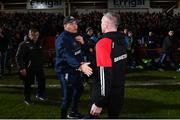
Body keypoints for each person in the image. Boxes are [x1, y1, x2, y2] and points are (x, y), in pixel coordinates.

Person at [89, 12, 127, 118]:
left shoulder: (103, 43)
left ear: (106, 24)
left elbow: (105, 74)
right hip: (119, 91)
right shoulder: (123, 40)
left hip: (103, 92)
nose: (100, 24)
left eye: (101, 21)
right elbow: (115, 64)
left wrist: (99, 102)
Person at [55, 16, 92, 119]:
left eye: (76, 23)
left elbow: (84, 50)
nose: (75, 25)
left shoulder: (76, 36)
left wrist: (83, 42)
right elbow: (66, 55)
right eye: (72, 24)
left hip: (75, 69)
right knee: (67, 97)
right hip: (65, 71)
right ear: (65, 26)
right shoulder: (62, 39)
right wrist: (79, 65)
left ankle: (73, 112)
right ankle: (62, 117)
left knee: (79, 89)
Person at [16, 28, 47, 105]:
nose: (35, 37)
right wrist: (22, 68)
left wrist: (42, 62)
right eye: (33, 35)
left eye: (36, 35)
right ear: (29, 35)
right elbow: (18, 57)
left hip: (38, 67)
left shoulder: (39, 43)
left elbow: (40, 54)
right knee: (28, 84)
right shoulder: (23, 44)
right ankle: (27, 99)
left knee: (42, 80)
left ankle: (40, 94)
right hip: (28, 68)